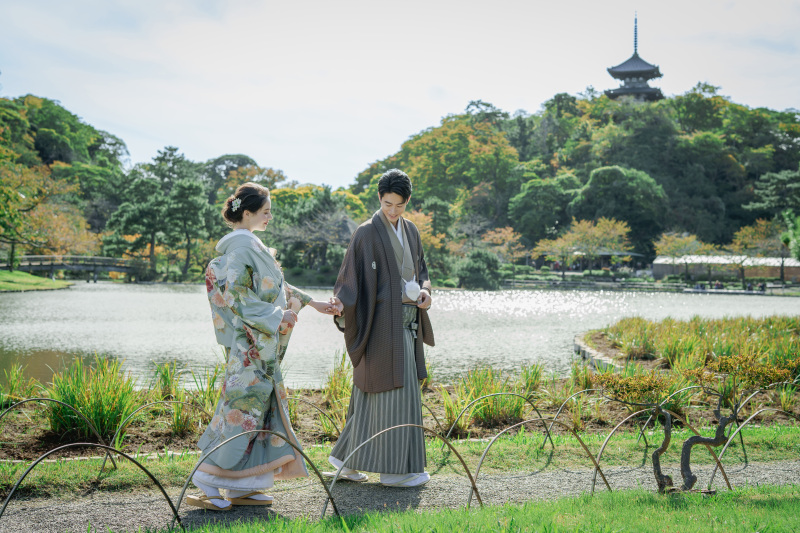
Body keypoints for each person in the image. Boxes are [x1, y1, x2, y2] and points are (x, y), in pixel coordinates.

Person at [186, 182, 338, 511]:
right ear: (248, 212)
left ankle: (244, 485)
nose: (270, 217)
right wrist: (275, 314)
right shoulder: (241, 249)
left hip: (258, 346)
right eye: (266, 211)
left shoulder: (250, 246)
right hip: (250, 346)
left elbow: (276, 285)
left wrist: (313, 304)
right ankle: (205, 479)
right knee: (238, 412)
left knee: (260, 415)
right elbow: (238, 295)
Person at [328, 169, 435, 488]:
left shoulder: (412, 231)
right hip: (379, 328)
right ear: (379, 198)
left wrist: (425, 293)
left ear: (407, 202)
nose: (392, 211)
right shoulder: (365, 233)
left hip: (406, 324)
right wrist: (339, 305)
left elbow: (422, 271)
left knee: (369, 398)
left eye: (399, 205)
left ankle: (345, 461)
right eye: (387, 204)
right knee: (394, 393)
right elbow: (350, 281)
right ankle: (394, 472)